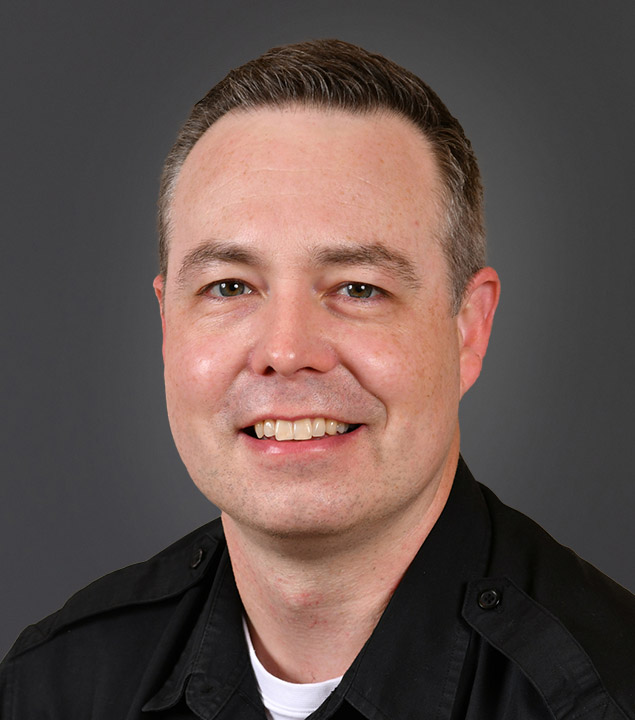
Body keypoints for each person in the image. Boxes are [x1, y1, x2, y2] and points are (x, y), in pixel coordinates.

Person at [1, 39, 633, 720]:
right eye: (229, 286)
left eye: (358, 288)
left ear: (467, 328)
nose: (285, 350)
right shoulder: (51, 689)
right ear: (166, 324)